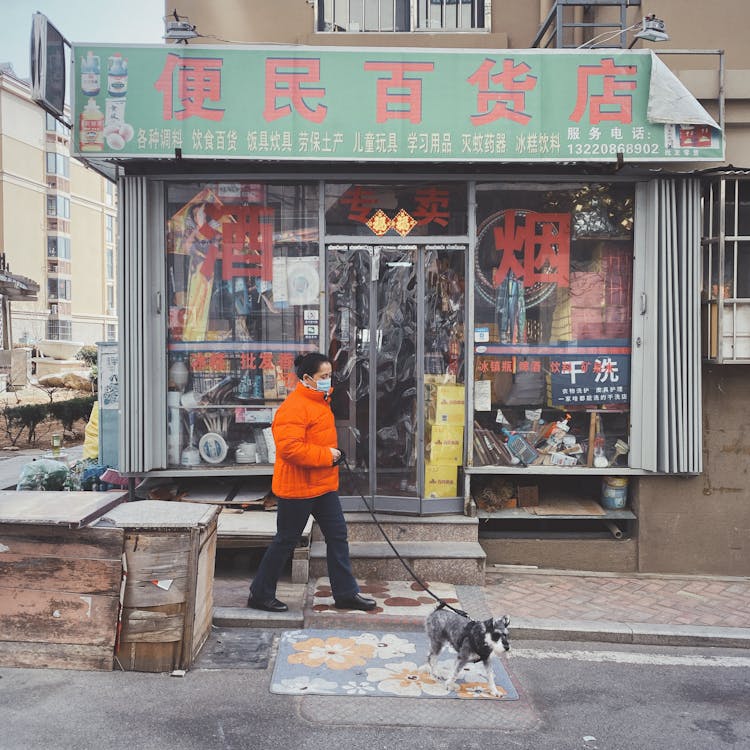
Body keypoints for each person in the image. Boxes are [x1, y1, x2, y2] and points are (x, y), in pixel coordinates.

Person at [247, 352, 376, 613]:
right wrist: (327, 456)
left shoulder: (319, 402)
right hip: (297, 488)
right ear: (307, 378)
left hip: (322, 486)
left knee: (338, 536)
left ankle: (346, 593)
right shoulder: (294, 407)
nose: (329, 381)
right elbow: (290, 449)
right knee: (286, 540)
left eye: (330, 376)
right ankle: (260, 594)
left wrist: (329, 458)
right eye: (323, 377)